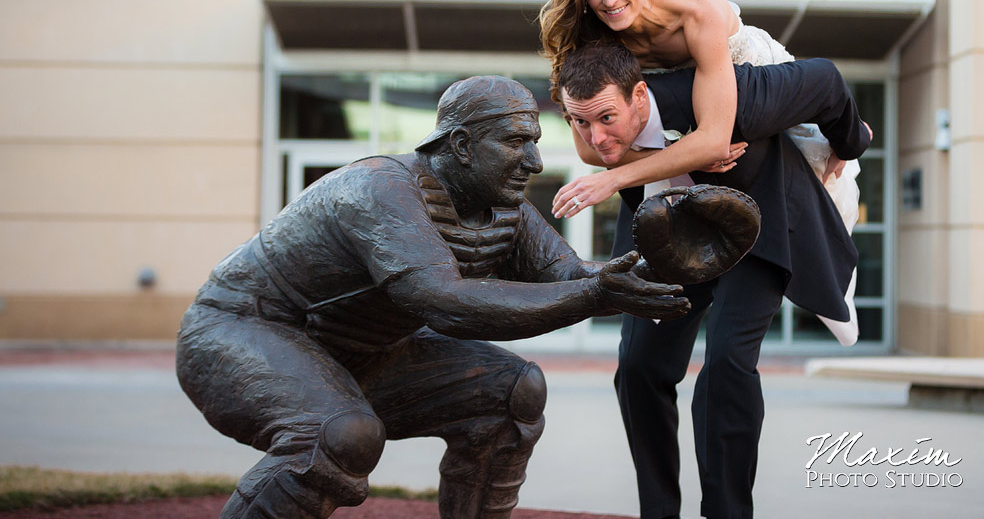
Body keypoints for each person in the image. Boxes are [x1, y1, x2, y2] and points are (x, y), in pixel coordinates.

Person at [175, 75, 691, 519]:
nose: (534, 161)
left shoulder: (501, 207)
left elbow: (574, 277)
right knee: (340, 435)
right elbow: (442, 301)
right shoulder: (380, 187)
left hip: (363, 351)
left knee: (513, 393)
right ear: (462, 146)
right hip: (241, 329)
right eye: (516, 142)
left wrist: (678, 256)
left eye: (534, 141)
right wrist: (591, 293)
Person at [556, 42, 871, 519]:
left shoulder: (724, 92)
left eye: (605, 118)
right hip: (669, 236)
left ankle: (727, 511)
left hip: (756, 232)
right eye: (581, 122)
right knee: (639, 368)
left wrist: (848, 144)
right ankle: (658, 510)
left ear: (640, 96)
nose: (596, 138)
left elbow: (825, 78)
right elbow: (603, 146)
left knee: (726, 364)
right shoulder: (597, 133)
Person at [538, 0, 862, 344]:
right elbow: (591, 152)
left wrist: (616, 178)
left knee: (829, 167)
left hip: (758, 79)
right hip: (698, 102)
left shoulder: (694, 8)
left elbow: (713, 140)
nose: (609, 0)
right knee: (792, 176)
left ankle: (840, 265)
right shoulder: (592, 42)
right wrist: (681, 151)